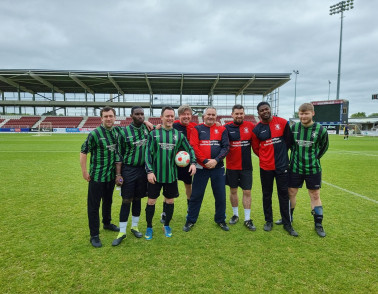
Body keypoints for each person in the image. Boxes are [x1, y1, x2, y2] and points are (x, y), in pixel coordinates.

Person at [276, 103, 329, 237]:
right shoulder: (293, 128)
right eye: (301, 113)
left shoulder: (321, 130)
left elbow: (324, 147)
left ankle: (318, 224)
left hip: (313, 168)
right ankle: (288, 218)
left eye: (306, 113)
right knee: (291, 192)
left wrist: (315, 158)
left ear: (313, 113)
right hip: (295, 168)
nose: (303, 116)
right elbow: (289, 145)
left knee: (315, 195)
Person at [144, 106, 196, 240]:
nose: (170, 118)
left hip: (171, 175)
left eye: (172, 116)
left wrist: (193, 163)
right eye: (167, 116)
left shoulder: (178, 135)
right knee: (151, 201)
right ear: (161, 118)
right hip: (155, 175)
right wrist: (149, 171)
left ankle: (166, 225)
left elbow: (190, 149)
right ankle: (149, 227)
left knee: (170, 201)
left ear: (174, 118)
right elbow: (147, 154)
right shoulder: (154, 134)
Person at [251, 102, 298, 237]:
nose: (264, 111)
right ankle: (268, 221)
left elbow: (289, 141)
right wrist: (266, 157)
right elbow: (255, 148)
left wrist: (281, 155)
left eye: (266, 109)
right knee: (267, 194)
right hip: (266, 167)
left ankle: (287, 223)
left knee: (284, 194)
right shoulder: (257, 129)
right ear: (258, 113)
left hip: (282, 166)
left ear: (270, 110)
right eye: (261, 110)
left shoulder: (282, 123)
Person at [183, 106, 230, 232]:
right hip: (200, 168)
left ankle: (220, 220)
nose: (210, 116)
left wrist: (216, 160)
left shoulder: (222, 129)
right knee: (196, 196)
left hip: (218, 167)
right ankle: (191, 220)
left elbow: (226, 147)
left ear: (216, 116)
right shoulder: (197, 129)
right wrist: (204, 161)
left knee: (220, 196)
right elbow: (194, 146)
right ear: (204, 116)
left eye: (213, 115)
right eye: (208, 114)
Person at [80, 106, 120, 248]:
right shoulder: (95, 134)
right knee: (93, 206)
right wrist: (84, 171)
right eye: (106, 116)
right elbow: (83, 151)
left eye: (111, 116)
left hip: (110, 177)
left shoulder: (117, 131)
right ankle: (94, 235)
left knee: (108, 202)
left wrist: (148, 123)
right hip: (96, 177)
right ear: (101, 118)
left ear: (115, 118)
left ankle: (107, 223)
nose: (108, 119)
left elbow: (131, 130)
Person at [111, 106, 149, 246]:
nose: (140, 116)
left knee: (138, 199)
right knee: (127, 200)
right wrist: (119, 174)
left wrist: (148, 123)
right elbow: (119, 154)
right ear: (131, 116)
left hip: (142, 171)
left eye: (142, 114)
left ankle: (134, 227)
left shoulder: (147, 129)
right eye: (137, 114)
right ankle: (122, 231)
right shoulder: (124, 132)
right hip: (128, 170)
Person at [160, 105, 197, 223]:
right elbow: (161, 128)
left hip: (187, 163)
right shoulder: (173, 125)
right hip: (172, 163)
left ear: (191, 116)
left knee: (188, 185)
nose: (186, 116)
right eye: (183, 114)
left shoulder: (195, 127)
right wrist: (147, 122)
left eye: (188, 114)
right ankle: (165, 213)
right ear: (179, 116)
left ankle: (189, 210)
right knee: (168, 186)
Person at [224, 104, 256, 231]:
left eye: (241, 113)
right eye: (236, 113)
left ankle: (247, 219)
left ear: (244, 114)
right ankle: (235, 215)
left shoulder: (250, 126)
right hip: (232, 166)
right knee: (233, 191)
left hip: (246, 166)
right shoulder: (226, 128)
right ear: (232, 114)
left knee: (247, 192)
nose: (239, 115)